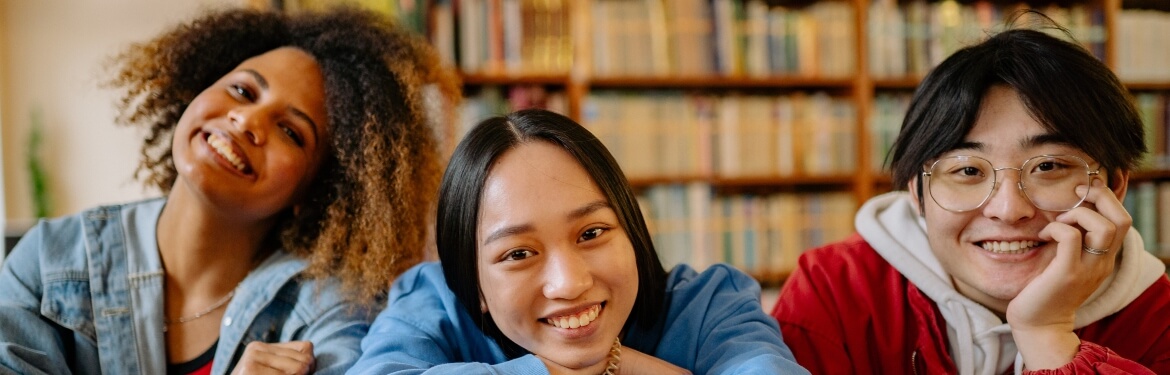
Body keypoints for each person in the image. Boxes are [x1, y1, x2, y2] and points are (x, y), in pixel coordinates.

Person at [0, 7, 460, 375]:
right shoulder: (46, 266)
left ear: (314, 191)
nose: (247, 120)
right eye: (242, 91)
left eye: (291, 132)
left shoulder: (333, 311)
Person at [770, 21, 1170, 375]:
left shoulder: (1158, 320)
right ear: (916, 190)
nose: (1008, 210)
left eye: (1048, 167)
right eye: (968, 171)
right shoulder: (836, 291)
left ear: (1115, 184)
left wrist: (1046, 335)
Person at [347, 109, 807, 374]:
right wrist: (600, 367)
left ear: (632, 229)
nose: (568, 283)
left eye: (591, 233)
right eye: (518, 254)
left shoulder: (710, 304)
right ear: (473, 281)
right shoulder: (433, 304)